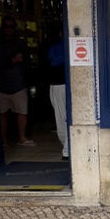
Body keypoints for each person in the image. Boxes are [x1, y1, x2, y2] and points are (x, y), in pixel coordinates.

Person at [0, 16, 34, 147]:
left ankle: (22, 137)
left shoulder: (20, 43)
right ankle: (4, 140)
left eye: (11, 27)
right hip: (2, 84)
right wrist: (12, 60)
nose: (8, 29)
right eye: (6, 27)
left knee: (22, 112)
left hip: (19, 84)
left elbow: (26, 61)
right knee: (2, 114)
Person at [46, 32, 69, 160]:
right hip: (63, 83)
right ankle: (67, 149)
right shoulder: (64, 46)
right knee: (66, 118)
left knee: (61, 119)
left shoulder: (54, 47)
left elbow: (51, 63)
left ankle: (66, 150)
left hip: (57, 85)